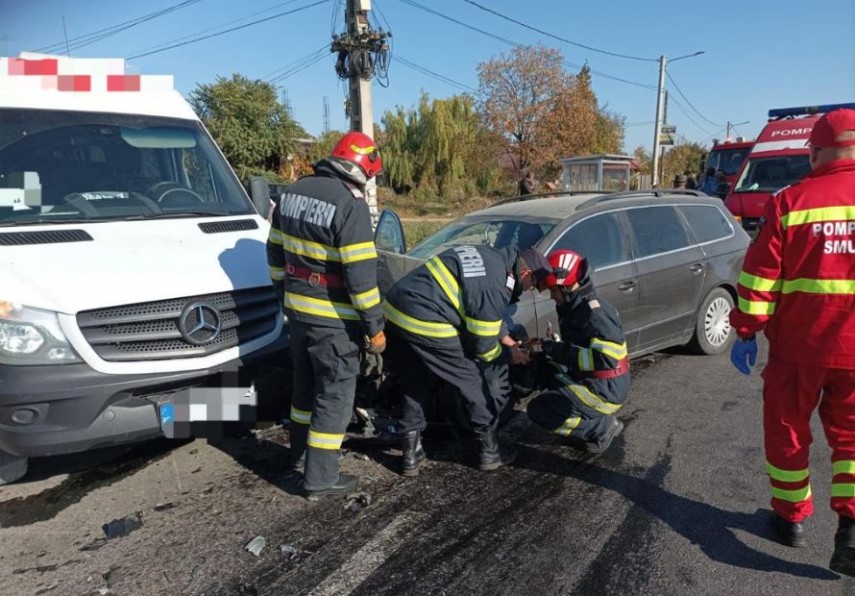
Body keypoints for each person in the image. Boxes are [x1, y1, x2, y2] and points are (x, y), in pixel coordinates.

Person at [728, 108, 855, 575]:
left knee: (787, 433)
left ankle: (791, 519)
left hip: (801, 348)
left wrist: (745, 329)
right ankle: (853, 532)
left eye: (812, 151)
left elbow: (759, 281)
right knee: (853, 442)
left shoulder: (790, 202)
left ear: (820, 151)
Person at [267, 131, 386, 501]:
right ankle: (320, 478)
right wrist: (375, 328)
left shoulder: (292, 193)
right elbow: (361, 277)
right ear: (362, 169)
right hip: (333, 319)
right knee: (335, 395)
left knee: (305, 391)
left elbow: (274, 254)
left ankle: (301, 458)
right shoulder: (349, 205)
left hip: (298, 314)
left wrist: (284, 297)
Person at [380, 246, 550, 475]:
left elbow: (483, 308)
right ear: (526, 275)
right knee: (470, 378)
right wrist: (510, 355)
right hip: (426, 319)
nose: (530, 291)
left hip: (396, 309)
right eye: (533, 287)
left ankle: (411, 453)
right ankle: (490, 451)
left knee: (415, 378)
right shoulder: (496, 284)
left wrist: (507, 340)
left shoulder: (491, 259)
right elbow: (483, 347)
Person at [525, 250, 630, 454]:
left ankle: (600, 428)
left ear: (569, 286)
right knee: (544, 367)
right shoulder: (577, 308)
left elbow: (605, 360)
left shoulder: (594, 313)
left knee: (539, 410)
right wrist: (552, 346)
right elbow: (580, 349)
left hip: (603, 393)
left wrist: (556, 349)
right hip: (594, 382)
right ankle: (591, 420)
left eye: (554, 291)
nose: (552, 297)